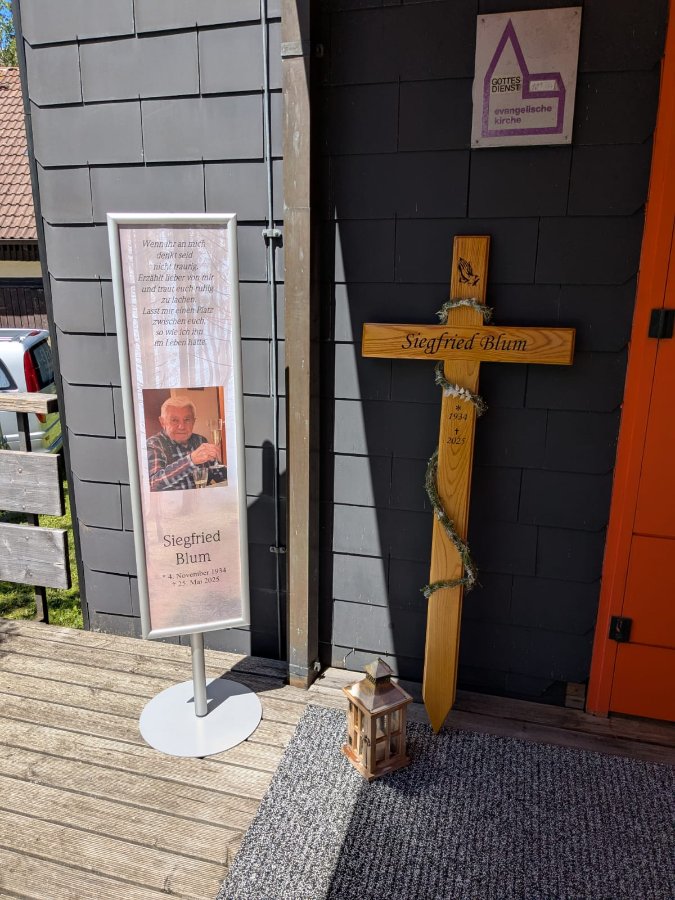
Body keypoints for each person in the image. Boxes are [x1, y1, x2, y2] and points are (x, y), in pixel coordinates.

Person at [146, 396, 226, 491]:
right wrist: (191, 461)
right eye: (174, 420)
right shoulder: (154, 444)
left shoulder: (200, 440)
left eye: (187, 420)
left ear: (194, 421)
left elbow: (219, 475)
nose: (181, 426)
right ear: (162, 422)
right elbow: (153, 483)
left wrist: (224, 465)